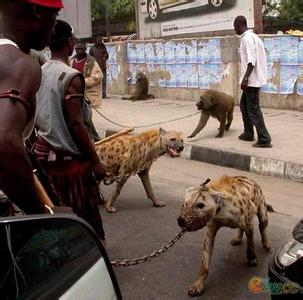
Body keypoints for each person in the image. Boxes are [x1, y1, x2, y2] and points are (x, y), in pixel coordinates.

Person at [32, 20, 107, 241]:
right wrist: (95, 161)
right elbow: (76, 124)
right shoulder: (71, 76)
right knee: (81, 213)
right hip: (69, 162)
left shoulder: (40, 71)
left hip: (44, 156)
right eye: (74, 40)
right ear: (70, 43)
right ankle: (88, 257)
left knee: (55, 212)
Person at [0, 0, 63, 215]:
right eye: (54, 15)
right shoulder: (20, 64)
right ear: (37, 12)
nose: (54, 26)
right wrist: (40, 215)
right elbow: (3, 142)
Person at [234, 15, 272, 148]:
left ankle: (264, 139)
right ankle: (248, 133)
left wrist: (245, 79)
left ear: (239, 25)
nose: (235, 31)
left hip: (251, 81)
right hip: (253, 80)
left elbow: (251, 61)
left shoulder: (247, 39)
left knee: (253, 110)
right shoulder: (254, 37)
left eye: (235, 28)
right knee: (244, 106)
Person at [70, 40, 102, 141]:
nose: (79, 51)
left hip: (87, 95)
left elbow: (97, 77)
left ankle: (95, 139)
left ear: (85, 49)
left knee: (86, 118)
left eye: (81, 49)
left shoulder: (91, 62)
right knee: (80, 119)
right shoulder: (71, 61)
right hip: (74, 94)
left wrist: (82, 82)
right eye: (77, 49)